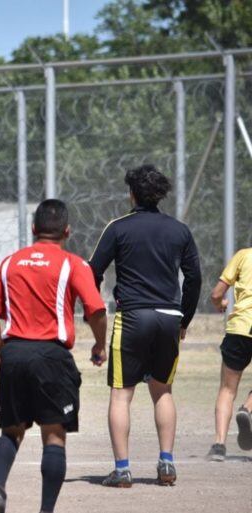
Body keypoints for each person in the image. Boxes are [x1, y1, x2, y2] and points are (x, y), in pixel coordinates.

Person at [0, 199, 108, 513]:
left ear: (34, 229)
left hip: (13, 354)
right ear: (67, 231)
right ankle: (46, 510)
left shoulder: (10, 262)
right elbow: (96, 309)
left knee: (11, 431)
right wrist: (99, 344)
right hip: (52, 357)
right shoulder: (73, 264)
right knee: (54, 436)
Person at [89, 165, 201, 487]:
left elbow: (93, 271)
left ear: (132, 193)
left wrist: (94, 308)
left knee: (121, 395)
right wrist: (185, 318)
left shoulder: (119, 228)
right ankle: (166, 465)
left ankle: (123, 470)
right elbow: (194, 278)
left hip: (133, 317)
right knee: (162, 390)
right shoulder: (179, 230)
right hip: (169, 318)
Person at [205, 248, 252, 461]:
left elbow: (216, 293)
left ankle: (219, 445)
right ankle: (248, 408)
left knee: (227, 389)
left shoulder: (243, 256)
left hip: (239, 328)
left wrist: (220, 304)